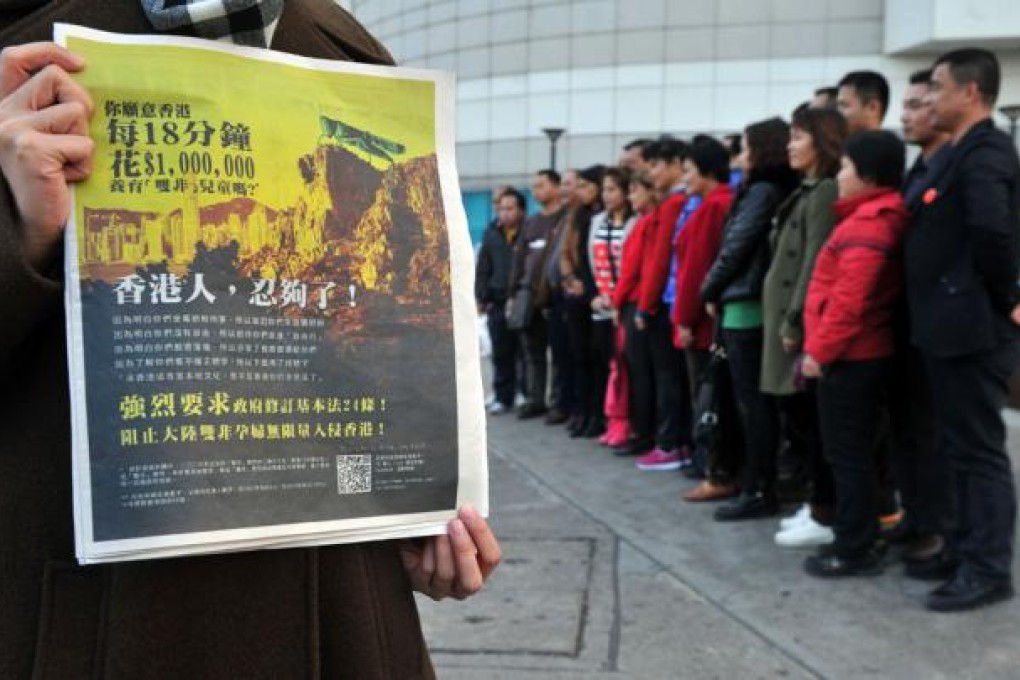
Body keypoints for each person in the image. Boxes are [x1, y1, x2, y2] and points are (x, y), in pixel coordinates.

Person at [0, 5, 501, 678]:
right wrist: (22, 231)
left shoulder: (343, 50)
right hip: (93, 623)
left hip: (343, 622)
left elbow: (397, 380)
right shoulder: (29, 51)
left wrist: (414, 517)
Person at [906, 48, 1020, 612]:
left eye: (938, 87)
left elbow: (992, 231)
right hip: (946, 326)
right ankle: (960, 546)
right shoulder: (959, 151)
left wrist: (1010, 299)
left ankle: (988, 568)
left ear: (970, 92)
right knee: (956, 447)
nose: (931, 98)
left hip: (973, 327)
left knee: (978, 451)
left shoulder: (986, 152)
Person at [800, 131, 909, 578]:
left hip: (852, 356)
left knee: (848, 456)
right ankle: (858, 536)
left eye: (845, 167)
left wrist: (819, 352)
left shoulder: (870, 224)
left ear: (868, 175)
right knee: (854, 453)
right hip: (857, 353)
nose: (839, 176)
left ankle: (854, 547)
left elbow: (849, 302)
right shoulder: (870, 217)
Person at [697, 118, 799, 511]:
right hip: (747, 300)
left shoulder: (761, 192)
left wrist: (709, 289)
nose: (738, 157)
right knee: (753, 402)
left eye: (744, 148)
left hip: (745, 303)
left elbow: (735, 247)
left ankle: (758, 488)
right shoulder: (771, 189)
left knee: (751, 404)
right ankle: (754, 482)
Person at [762, 107, 847, 548]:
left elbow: (814, 261)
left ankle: (824, 510)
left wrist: (794, 320)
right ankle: (816, 503)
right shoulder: (808, 190)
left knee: (810, 420)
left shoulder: (824, 190)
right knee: (799, 417)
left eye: (798, 137)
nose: (790, 146)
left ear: (822, 140)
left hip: (801, 325)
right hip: (787, 320)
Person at [888, 68, 957, 577]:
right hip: (908, 320)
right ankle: (916, 516)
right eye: (906, 105)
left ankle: (940, 529)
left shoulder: (957, 166)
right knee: (909, 429)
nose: (906, 115)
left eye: (917, 104)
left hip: (943, 322)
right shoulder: (918, 167)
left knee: (938, 436)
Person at [666, 136, 734, 474]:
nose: (685, 178)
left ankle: (710, 462)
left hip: (702, 322)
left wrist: (683, 319)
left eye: (689, 170)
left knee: (706, 395)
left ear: (707, 170)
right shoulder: (722, 202)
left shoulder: (712, 207)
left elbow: (695, 269)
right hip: (708, 316)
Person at [628, 137, 694, 463]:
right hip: (665, 301)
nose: (650, 172)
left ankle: (670, 444)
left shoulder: (674, 204)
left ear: (675, 165)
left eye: (655, 165)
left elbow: (659, 259)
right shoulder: (674, 202)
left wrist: (645, 305)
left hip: (665, 303)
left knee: (669, 379)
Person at [508, 170, 565, 419]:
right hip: (529, 296)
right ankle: (535, 399)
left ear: (556, 187)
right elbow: (519, 260)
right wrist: (513, 293)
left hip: (555, 297)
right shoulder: (531, 223)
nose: (536, 191)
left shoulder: (565, 219)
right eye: (534, 186)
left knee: (560, 353)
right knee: (533, 352)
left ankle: (559, 403)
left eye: (541, 185)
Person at [588, 167, 638, 447]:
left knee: (624, 366)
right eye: (604, 189)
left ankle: (625, 422)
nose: (607, 195)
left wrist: (618, 298)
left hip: (625, 305)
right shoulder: (597, 222)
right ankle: (611, 419)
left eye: (613, 189)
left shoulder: (635, 222)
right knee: (607, 365)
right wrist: (597, 294)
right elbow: (592, 261)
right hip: (602, 304)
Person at [612, 171, 659, 460]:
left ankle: (644, 432)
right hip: (634, 302)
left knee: (642, 373)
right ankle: (642, 431)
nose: (631, 197)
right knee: (640, 372)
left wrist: (617, 301)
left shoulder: (648, 223)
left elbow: (633, 270)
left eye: (635, 191)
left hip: (636, 303)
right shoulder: (643, 222)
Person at [559, 164, 605, 437]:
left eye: (585, 186)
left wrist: (588, 287)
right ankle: (583, 411)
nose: (579, 191)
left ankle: (598, 415)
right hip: (576, 293)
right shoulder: (577, 214)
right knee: (579, 356)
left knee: (597, 358)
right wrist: (570, 279)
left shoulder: (604, 215)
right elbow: (565, 252)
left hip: (597, 294)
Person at [477, 188, 525, 415]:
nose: (504, 213)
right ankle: (502, 396)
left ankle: (524, 393)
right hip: (497, 300)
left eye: (509, 208)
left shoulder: (528, 231)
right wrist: (481, 296)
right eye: (501, 208)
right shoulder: (491, 233)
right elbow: (483, 267)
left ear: (520, 210)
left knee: (524, 350)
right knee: (500, 351)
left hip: (522, 299)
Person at [538, 169, 577, 426]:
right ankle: (561, 404)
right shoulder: (564, 219)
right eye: (562, 184)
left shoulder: (579, 218)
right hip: (555, 297)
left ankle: (569, 406)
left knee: (572, 357)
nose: (564, 189)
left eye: (569, 184)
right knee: (560, 356)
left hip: (572, 295)